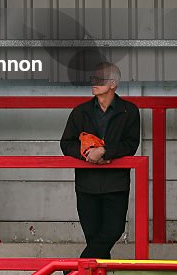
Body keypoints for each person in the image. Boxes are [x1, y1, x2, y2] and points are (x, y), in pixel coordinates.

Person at [60, 62, 141, 260]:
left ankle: (72, 270)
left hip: (116, 184)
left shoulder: (129, 111)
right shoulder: (80, 111)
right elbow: (66, 143)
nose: (94, 83)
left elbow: (131, 144)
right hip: (87, 184)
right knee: (94, 238)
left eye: (100, 79)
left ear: (113, 83)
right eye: (93, 79)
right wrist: (87, 153)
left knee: (112, 231)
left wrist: (104, 151)